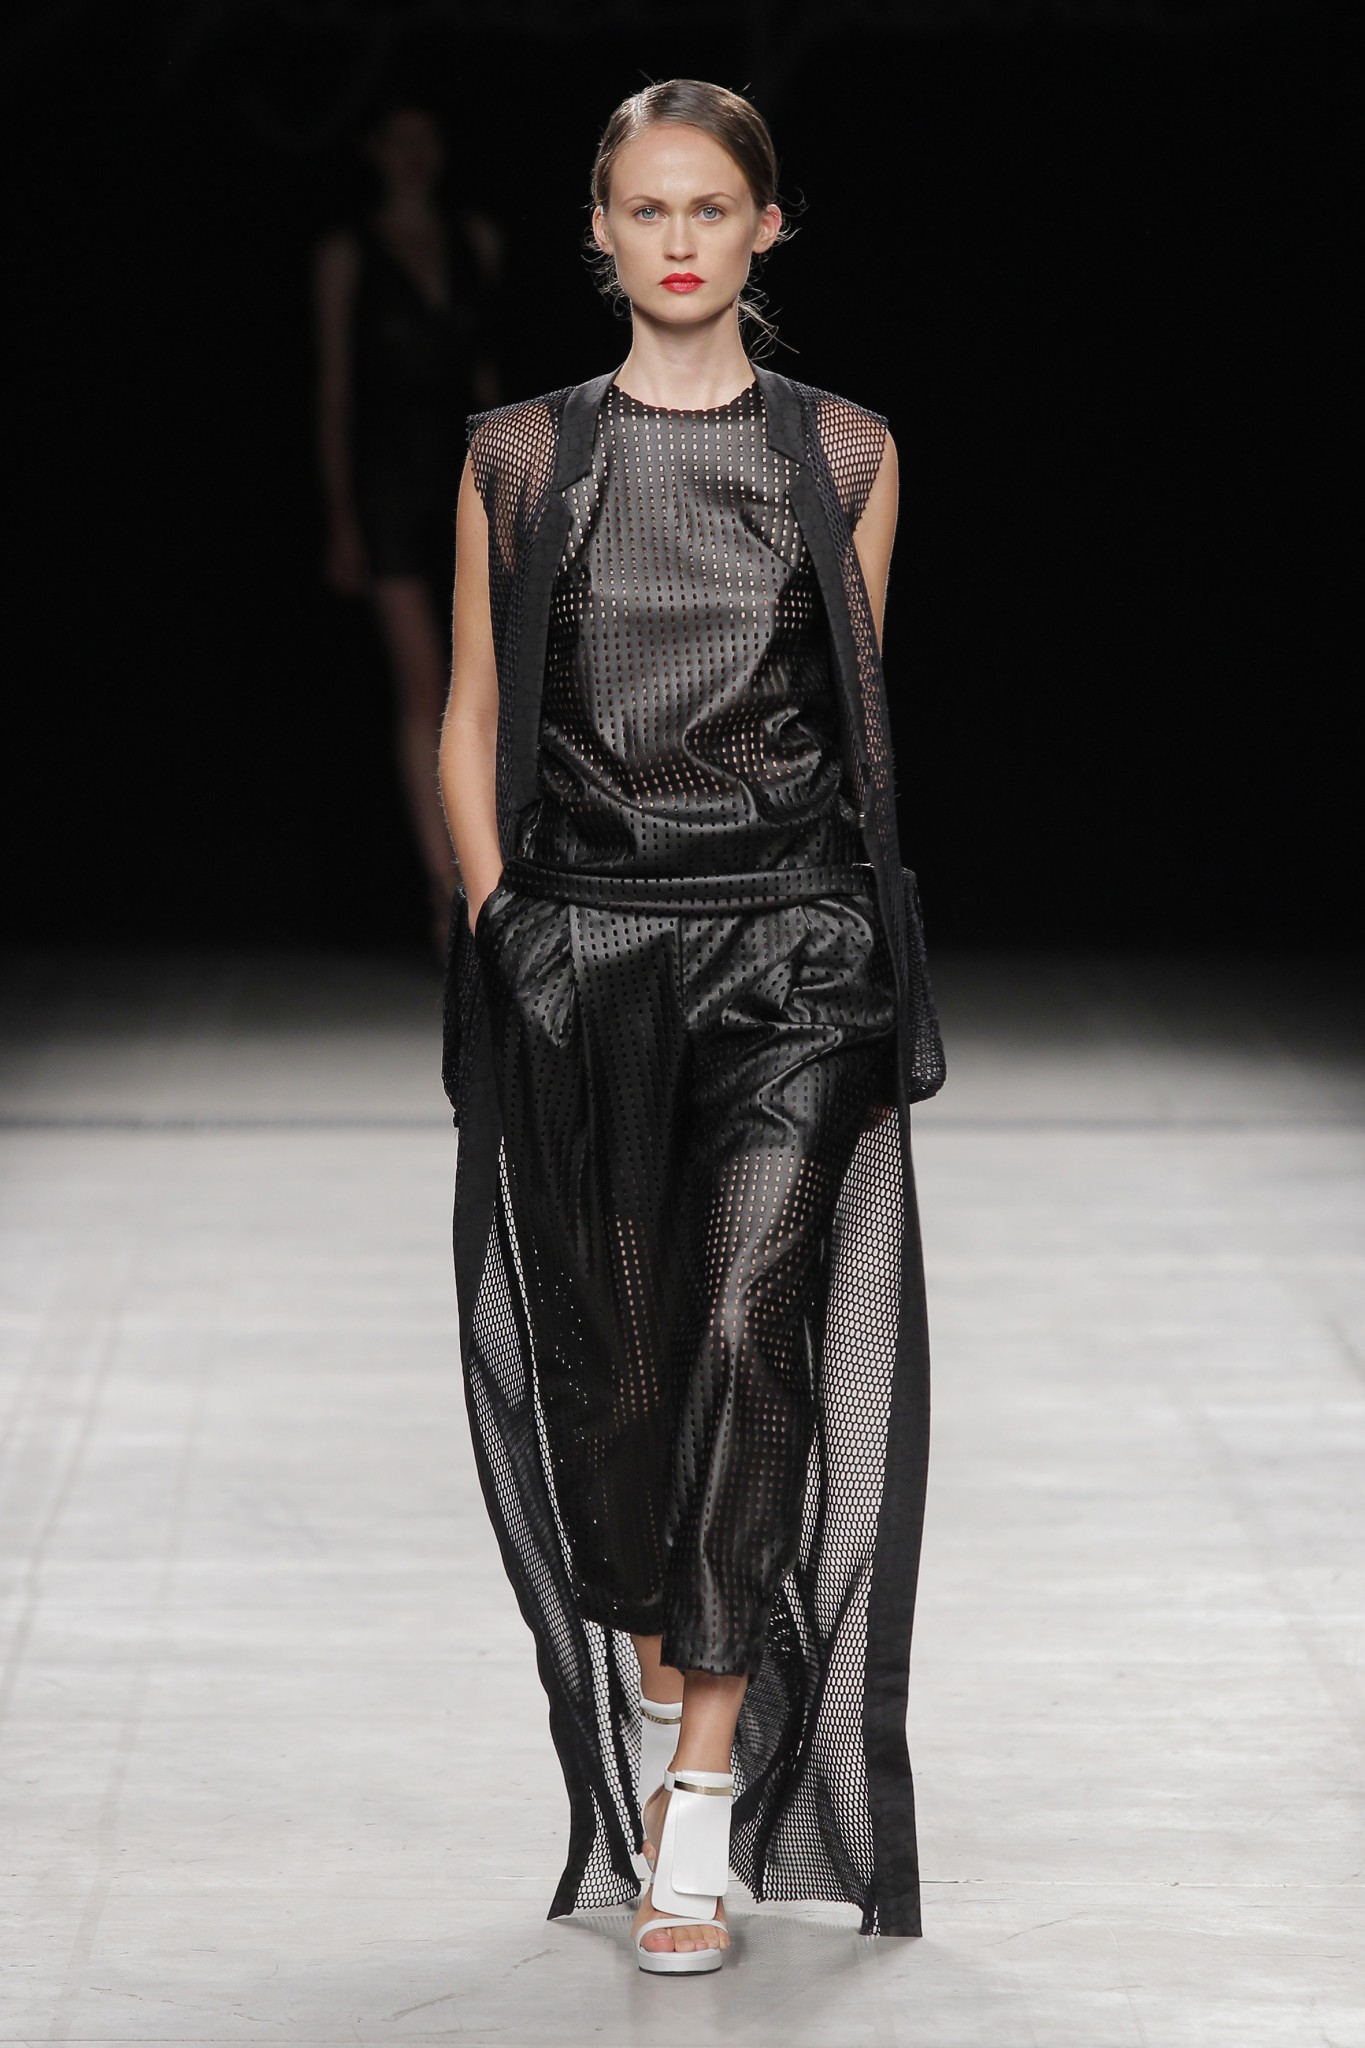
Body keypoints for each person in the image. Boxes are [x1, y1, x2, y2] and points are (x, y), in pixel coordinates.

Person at [438, 79, 939, 1976]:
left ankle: (703, 1798)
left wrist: (866, 946)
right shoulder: (521, 456)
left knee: (750, 1324)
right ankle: (674, 1673)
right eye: (645, 209)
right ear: (598, 228)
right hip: (588, 951)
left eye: (710, 208)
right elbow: (470, 716)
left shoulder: (846, 453)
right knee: (622, 1379)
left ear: (765, 228)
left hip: (789, 951)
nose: (676, 240)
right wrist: (501, 916)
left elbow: (862, 728)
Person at [315, 103, 501, 951]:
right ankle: (445, 892)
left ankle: (485, 879)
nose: (414, 154)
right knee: (424, 688)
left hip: (468, 481)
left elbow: (489, 380)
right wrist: (342, 516)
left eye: (427, 138)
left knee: (481, 685)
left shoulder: (476, 240)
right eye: (399, 140)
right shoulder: (348, 252)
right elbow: (335, 388)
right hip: (389, 484)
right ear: (373, 150)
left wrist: (512, 491)